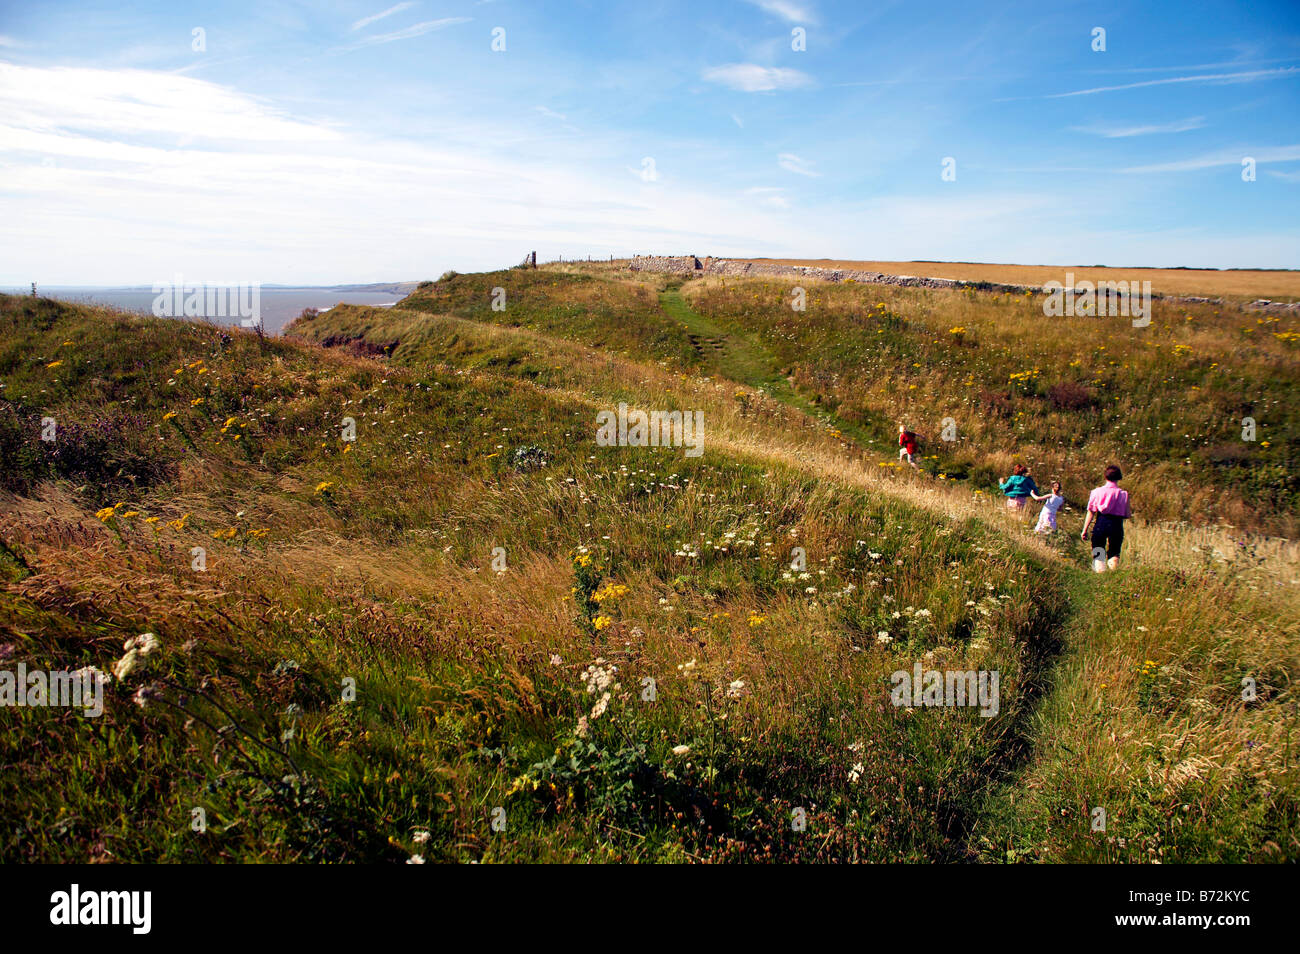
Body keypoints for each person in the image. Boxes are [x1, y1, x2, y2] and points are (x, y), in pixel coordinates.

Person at [1081, 464, 1131, 572]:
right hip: (1117, 524)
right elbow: (1127, 514)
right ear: (1119, 477)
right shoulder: (1124, 494)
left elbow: (1091, 512)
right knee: (1114, 551)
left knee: (1098, 549)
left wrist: (1084, 530)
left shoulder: (1096, 492)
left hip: (1101, 522)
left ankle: (1100, 575)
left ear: (1105, 476)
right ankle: (1112, 575)